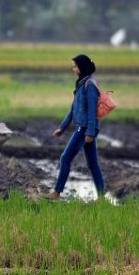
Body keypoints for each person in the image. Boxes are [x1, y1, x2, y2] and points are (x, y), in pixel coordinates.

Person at [47, 54, 105, 200]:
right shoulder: (81, 83)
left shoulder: (90, 85)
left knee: (65, 158)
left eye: (75, 66)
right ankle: (102, 197)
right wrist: (62, 127)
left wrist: (90, 133)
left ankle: (56, 193)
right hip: (84, 127)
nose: (73, 69)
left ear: (82, 67)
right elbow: (73, 109)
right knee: (92, 164)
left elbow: (92, 111)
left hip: (85, 129)